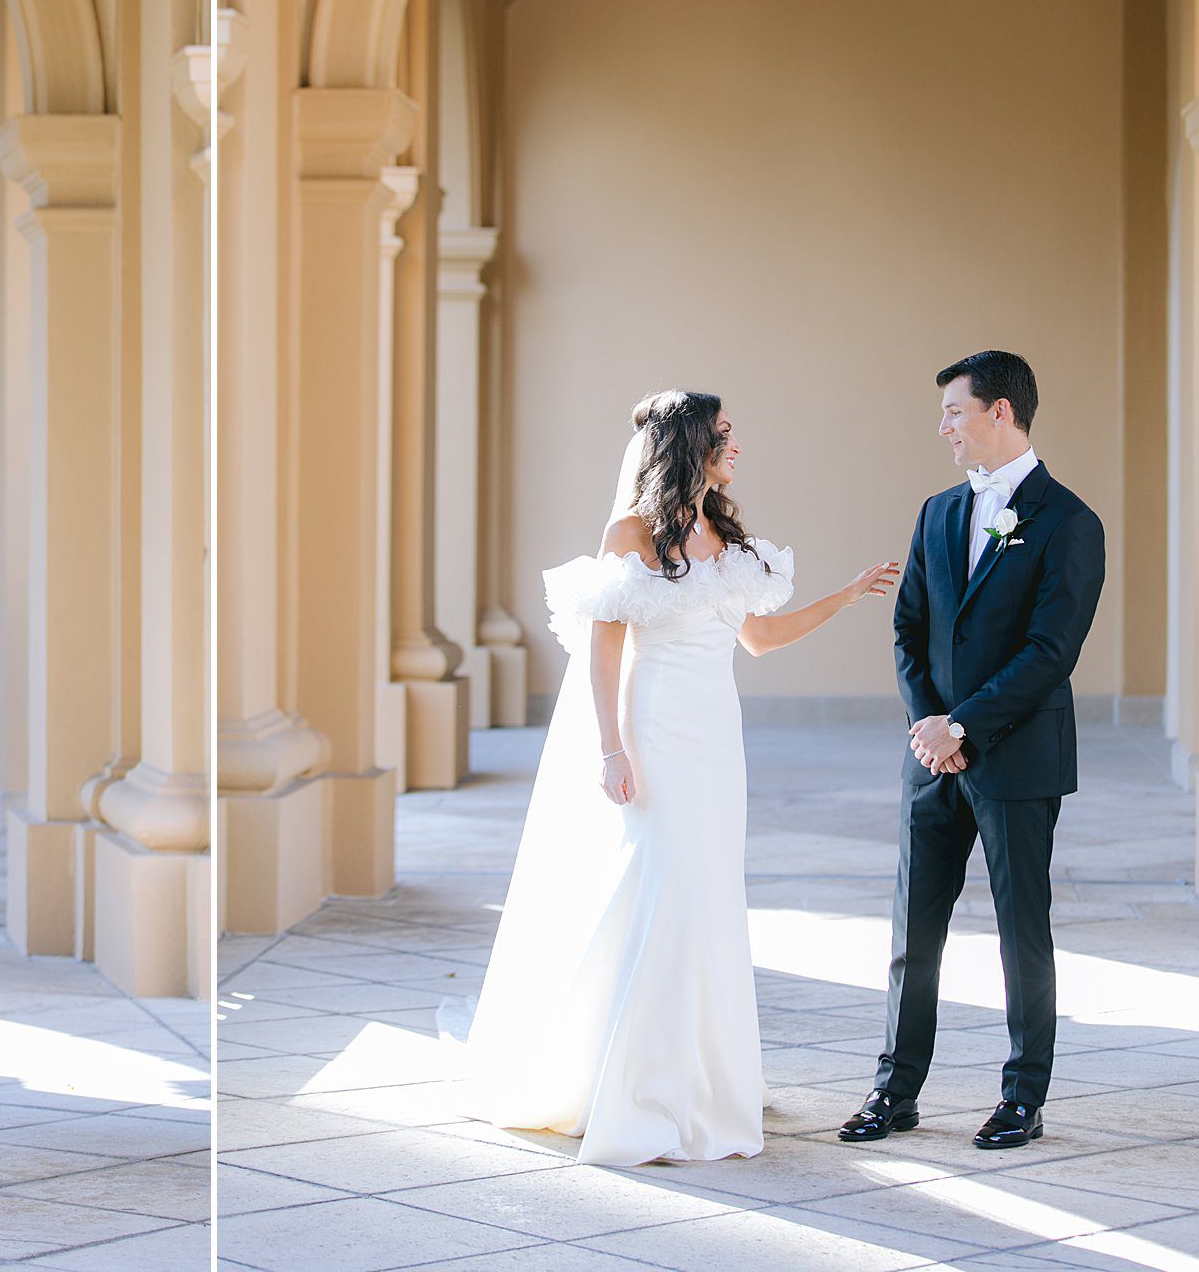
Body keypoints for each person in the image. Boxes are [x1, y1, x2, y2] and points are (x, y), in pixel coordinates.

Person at [459, 391, 899, 1166]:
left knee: (708, 899)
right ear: (691, 442)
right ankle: (638, 1090)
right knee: (664, 891)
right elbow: (601, 651)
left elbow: (757, 638)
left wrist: (848, 594)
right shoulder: (629, 533)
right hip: (655, 735)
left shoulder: (725, 535)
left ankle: (701, 1080)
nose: (737, 446)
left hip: (715, 744)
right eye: (725, 434)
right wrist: (611, 748)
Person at [839, 351, 1104, 1152]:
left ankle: (1023, 1096)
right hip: (934, 761)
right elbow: (910, 629)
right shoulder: (936, 513)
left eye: (955, 410)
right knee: (912, 933)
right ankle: (896, 1088)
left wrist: (965, 726)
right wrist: (930, 726)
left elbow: (1051, 650)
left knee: (1022, 930)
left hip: (1017, 759)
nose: (944, 426)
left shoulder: (1069, 521)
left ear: (1001, 414)